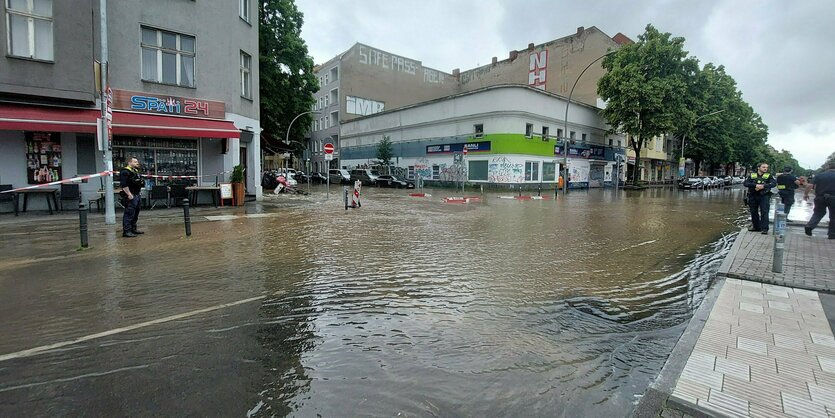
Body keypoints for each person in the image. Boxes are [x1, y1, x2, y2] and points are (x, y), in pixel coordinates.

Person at [743, 163, 777, 234]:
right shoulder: (752, 175)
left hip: (764, 196)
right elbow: (745, 183)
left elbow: (773, 183)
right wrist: (755, 185)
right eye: (763, 167)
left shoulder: (768, 176)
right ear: (758, 167)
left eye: (766, 167)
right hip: (753, 196)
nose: (765, 169)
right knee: (753, 212)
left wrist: (763, 186)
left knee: (764, 212)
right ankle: (756, 227)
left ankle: (764, 229)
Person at [804, 160, 835, 239]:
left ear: (828, 167)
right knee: (833, 217)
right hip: (833, 198)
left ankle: (809, 226)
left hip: (820, 197)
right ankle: (832, 234)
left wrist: (806, 194)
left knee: (818, 213)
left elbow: (809, 185)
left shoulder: (819, 175)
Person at [120, 157, 144, 238]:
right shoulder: (125, 172)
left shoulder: (135, 171)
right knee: (129, 213)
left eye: (137, 161)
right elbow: (124, 185)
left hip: (137, 194)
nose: (137, 163)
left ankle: (133, 229)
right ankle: (127, 231)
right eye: (135, 161)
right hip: (131, 195)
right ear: (129, 162)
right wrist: (129, 194)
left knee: (135, 213)